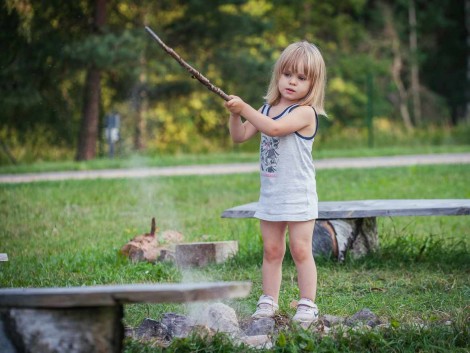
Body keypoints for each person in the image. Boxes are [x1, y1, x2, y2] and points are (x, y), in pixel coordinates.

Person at [224, 41, 327, 324]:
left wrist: (244, 107)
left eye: (301, 78)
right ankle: (268, 300)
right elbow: (240, 136)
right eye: (287, 74)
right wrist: (236, 115)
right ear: (278, 75)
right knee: (271, 250)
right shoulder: (267, 108)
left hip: (298, 193)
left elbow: (275, 129)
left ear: (313, 83)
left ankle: (307, 304)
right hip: (271, 194)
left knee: (300, 249)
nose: (292, 82)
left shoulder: (305, 113)